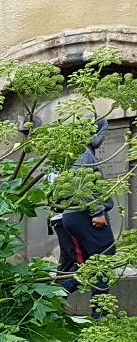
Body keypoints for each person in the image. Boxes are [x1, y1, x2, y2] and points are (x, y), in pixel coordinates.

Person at [51, 117, 117, 279]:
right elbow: (80, 184)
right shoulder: (83, 153)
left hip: (75, 214)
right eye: (102, 134)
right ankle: (99, 305)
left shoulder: (73, 154)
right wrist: (97, 212)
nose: (103, 138)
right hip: (85, 215)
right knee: (104, 262)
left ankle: (56, 297)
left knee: (89, 268)